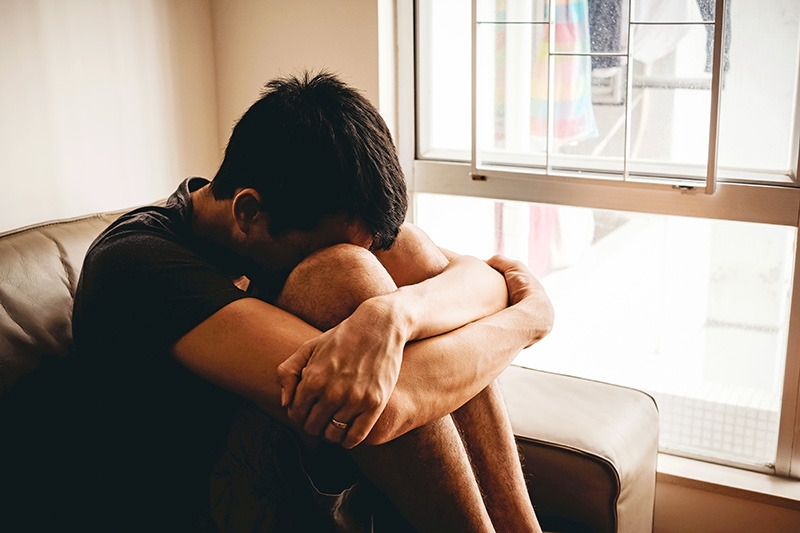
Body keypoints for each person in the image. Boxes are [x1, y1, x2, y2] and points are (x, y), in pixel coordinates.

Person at [72, 71, 554, 532]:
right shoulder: (135, 265)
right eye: (318, 244)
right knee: (346, 274)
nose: (345, 253)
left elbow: (482, 281)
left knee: (405, 249)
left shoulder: (286, 205)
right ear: (248, 212)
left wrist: (394, 315)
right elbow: (379, 412)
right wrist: (527, 321)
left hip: (297, 475)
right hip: (192, 506)